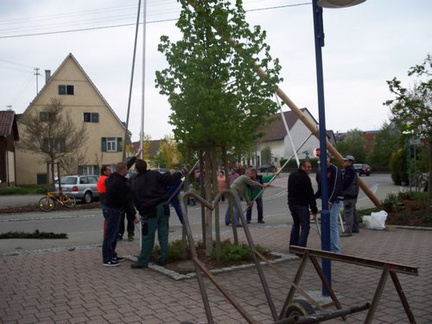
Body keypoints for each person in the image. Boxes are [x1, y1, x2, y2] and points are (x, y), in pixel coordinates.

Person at [130, 160, 187, 269]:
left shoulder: (136, 183)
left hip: (149, 210)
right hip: (163, 206)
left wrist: (141, 211)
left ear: (136, 169)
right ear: (146, 167)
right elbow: (169, 179)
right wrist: (181, 173)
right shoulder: (155, 174)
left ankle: (143, 261)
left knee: (148, 236)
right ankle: (163, 257)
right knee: (163, 233)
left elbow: (136, 200)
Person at [102, 162, 131, 267]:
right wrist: (133, 217)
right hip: (113, 210)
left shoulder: (114, 176)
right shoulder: (120, 183)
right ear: (124, 170)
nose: (128, 170)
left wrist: (135, 157)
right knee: (110, 235)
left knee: (114, 234)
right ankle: (107, 259)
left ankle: (112, 255)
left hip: (109, 208)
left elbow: (124, 166)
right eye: (127, 168)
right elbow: (125, 202)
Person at [315, 155, 344, 253]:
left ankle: (335, 249)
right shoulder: (320, 171)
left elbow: (335, 186)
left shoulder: (334, 169)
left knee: (332, 225)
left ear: (329, 159)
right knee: (325, 224)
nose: (325, 160)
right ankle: (328, 247)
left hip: (334, 201)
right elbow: (320, 187)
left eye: (326, 158)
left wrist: (330, 201)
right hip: (325, 200)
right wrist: (312, 198)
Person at [288, 160, 318, 248]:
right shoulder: (305, 178)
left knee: (296, 224)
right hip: (301, 204)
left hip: (292, 204)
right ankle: (301, 248)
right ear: (302, 167)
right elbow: (310, 194)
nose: (310, 169)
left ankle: (293, 246)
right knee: (305, 226)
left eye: (310, 167)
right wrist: (314, 209)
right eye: (308, 167)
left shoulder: (292, 175)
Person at [341, 155, 360, 236]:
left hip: (349, 194)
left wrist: (339, 189)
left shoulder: (349, 171)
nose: (344, 162)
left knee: (348, 212)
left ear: (350, 162)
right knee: (353, 212)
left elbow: (346, 183)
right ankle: (355, 228)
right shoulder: (351, 170)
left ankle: (348, 231)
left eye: (345, 161)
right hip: (352, 194)